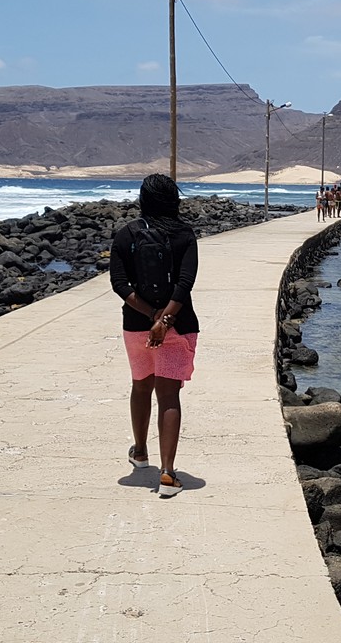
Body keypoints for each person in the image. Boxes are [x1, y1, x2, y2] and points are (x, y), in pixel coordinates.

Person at [109, 174, 199, 497]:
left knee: (140, 386)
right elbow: (185, 282)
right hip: (178, 324)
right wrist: (165, 319)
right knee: (169, 396)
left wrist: (150, 316)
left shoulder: (125, 235)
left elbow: (119, 285)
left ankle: (141, 452)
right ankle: (168, 473)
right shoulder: (185, 234)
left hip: (136, 326)